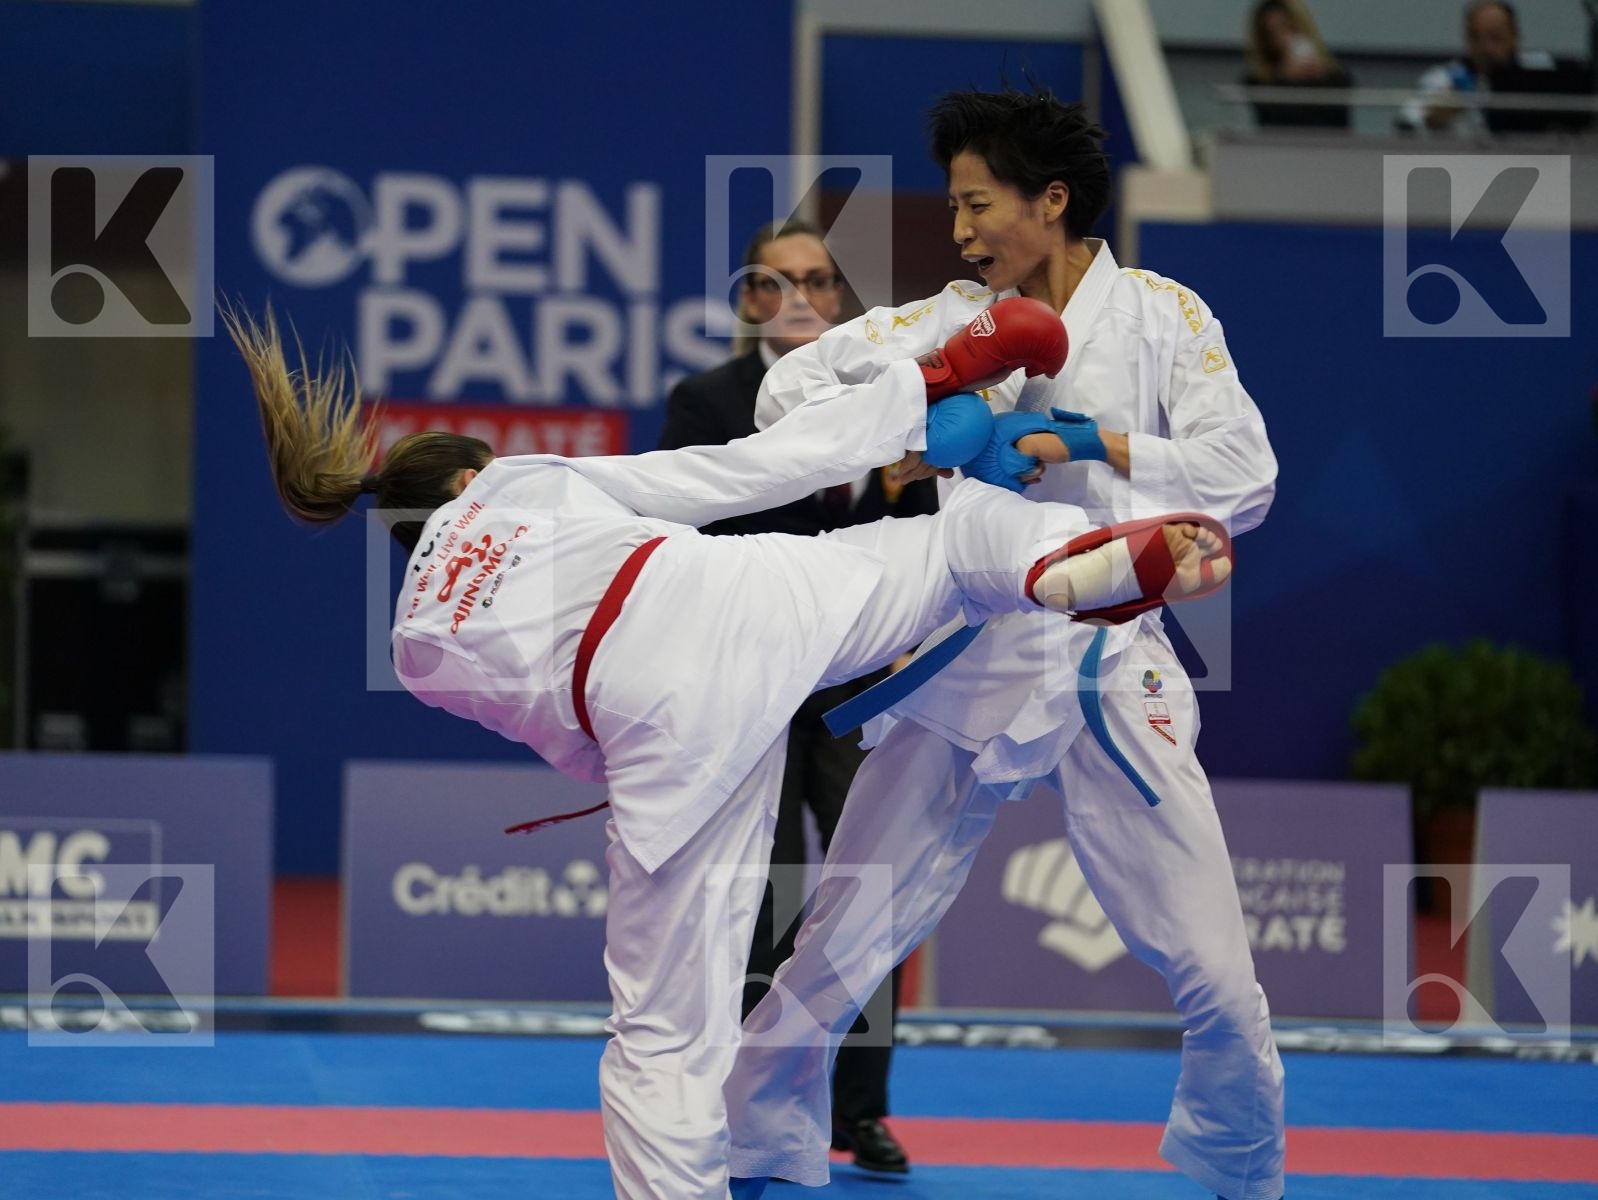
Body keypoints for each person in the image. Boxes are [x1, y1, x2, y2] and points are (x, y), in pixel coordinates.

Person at [221, 298, 1234, 1200]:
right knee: (934, 552)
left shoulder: (416, 650)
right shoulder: (515, 483)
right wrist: (915, 388)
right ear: (470, 475)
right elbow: (731, 473)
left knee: (659, 1032)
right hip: (724, 601)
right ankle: (1062, 565)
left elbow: (570, 741)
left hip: (653, 735)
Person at [723, 87, 1284, 1200]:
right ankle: (753, 1148)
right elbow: (783, 390)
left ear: (1052, 201)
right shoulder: (947, 316)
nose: (960, 228)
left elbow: (1245, 478)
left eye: (977, 204)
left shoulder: (1168, 317)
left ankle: (1239, 1164)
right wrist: (922, 400)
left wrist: (1096, 440)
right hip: (968, 656)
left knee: (1217, 973)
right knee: (832, 949)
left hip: (1109, 662)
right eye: (953, 205)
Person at [658, 218, 932, 1174]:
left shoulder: (889, 402)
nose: (806, 297)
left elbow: (918, 532)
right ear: (750, 301)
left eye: (822, 279)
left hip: (857, 688)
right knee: (764, 904)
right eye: (782, 282)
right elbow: (681, 545)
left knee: (868, 899)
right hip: (749, 686)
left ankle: (860, 1113)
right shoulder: (704, 404)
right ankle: (753, 1110)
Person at [1398, 0, 1534, 135]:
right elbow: (1407, 123)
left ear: (1515, 37)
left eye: (1495, 37)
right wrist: (1432, 119)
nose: (1485, 48)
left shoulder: (1535, 79)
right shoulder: (1446, 78)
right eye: (1475, 37)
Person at [1242, 0, 1352, 129]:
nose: (1281, 40)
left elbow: (1337, 127)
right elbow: (1274, 124)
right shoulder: (1257, 82)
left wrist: (1318, 80)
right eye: (1271, 34)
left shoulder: (1337, 77)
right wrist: (1287, 78)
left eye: (1287, 27)